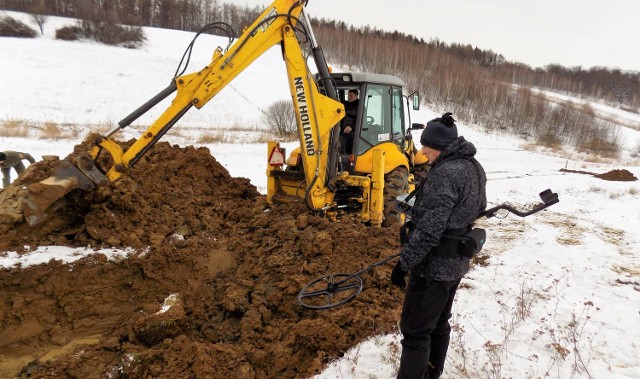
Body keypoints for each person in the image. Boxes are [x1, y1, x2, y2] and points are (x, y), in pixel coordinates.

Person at [390, 112, 487, 379]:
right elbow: (480, 207)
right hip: (456, 263)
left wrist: (403, 264)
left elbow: (429, 230)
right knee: (439, 323)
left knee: (416, 330)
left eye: (425, 146)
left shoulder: (446, 173)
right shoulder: (474, 167)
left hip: (432, 267)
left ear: (438, 147)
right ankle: (432, 374)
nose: (423, 152)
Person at [340, 89, 359, 154]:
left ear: (356, 96)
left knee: (344, 138)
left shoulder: (360, 107)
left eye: (351, 96)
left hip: (354, 130)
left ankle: (347, 154)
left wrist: (351, 127)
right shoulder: (344, 105)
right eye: (348, 95)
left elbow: (361, 121)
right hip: (342, 129)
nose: (349, 97)